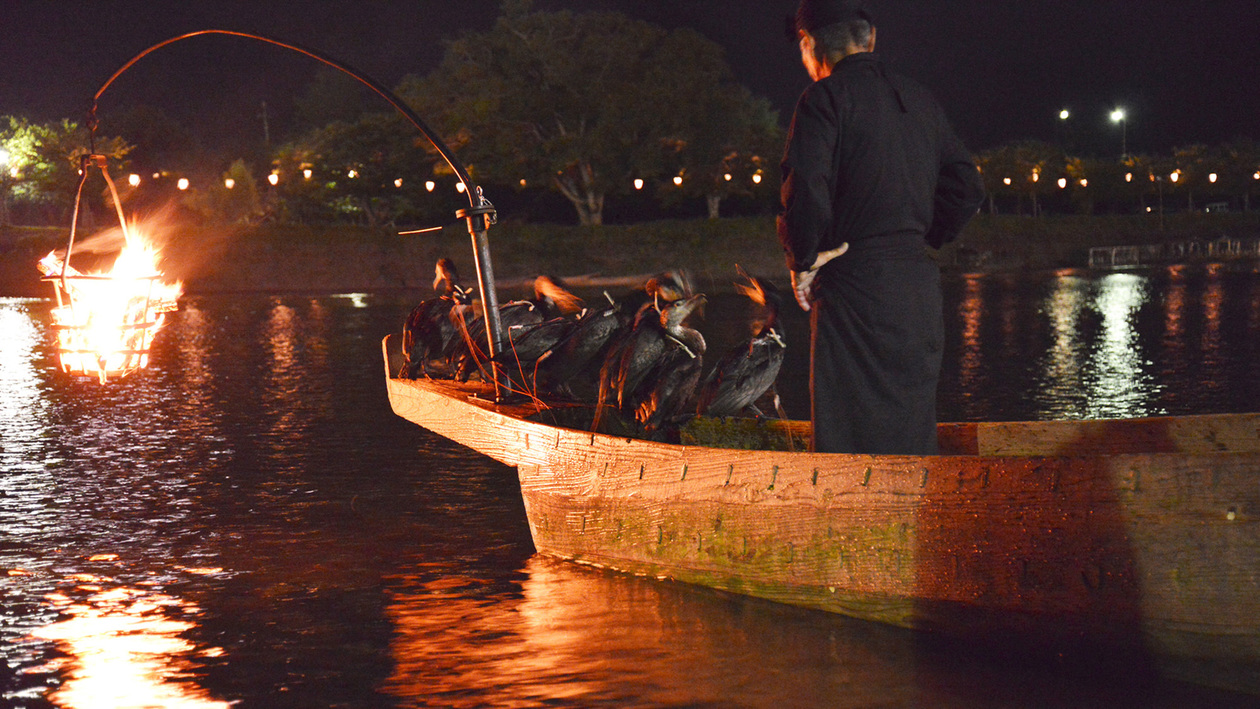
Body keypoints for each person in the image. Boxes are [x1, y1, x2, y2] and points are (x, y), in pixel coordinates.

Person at [778, 0, 985, 454]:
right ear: (871, 38)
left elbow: (807, 190)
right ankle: (915, 519)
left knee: (848, 436)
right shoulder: (919, 99)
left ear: (810, 45)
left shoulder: (823, 100)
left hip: (856, 288)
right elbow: (967, 188)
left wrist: (805, 259)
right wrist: (919, 237)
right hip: (917, 287)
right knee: (911, 429)